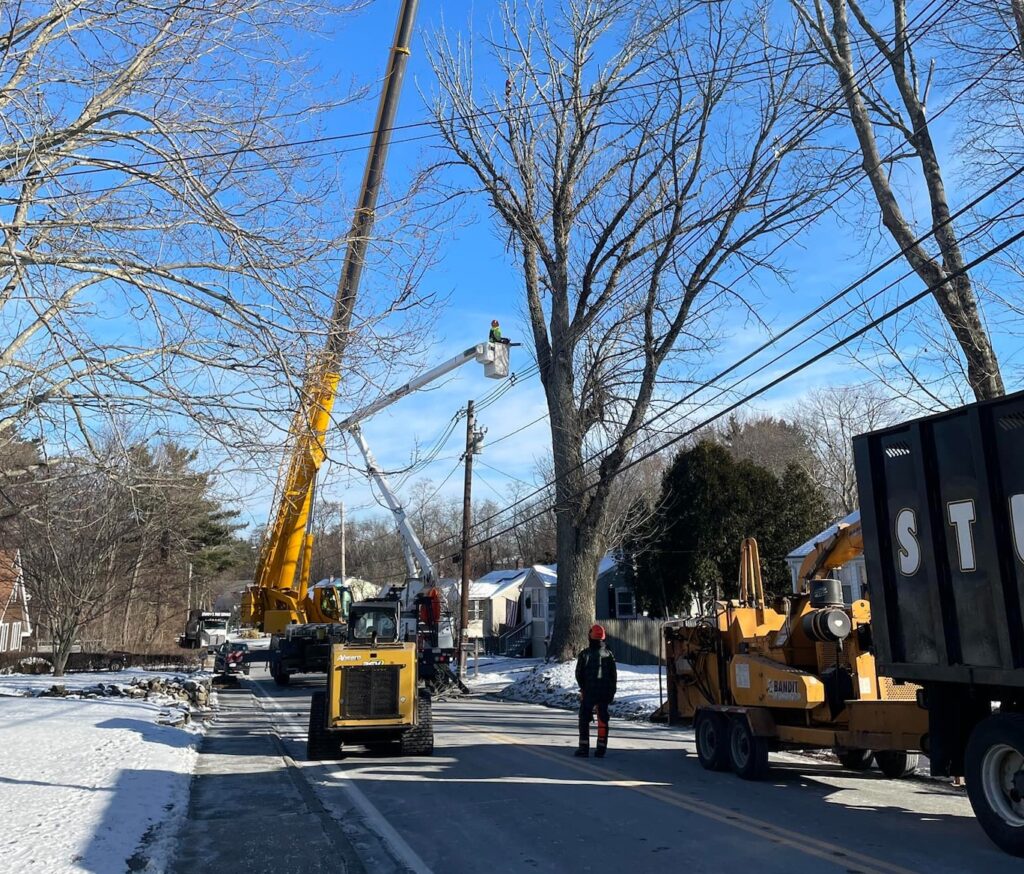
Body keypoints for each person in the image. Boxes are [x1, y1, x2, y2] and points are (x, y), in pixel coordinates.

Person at [574, 624, 617, 758]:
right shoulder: (609, 655)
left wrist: (583, 687)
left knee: (584, 718)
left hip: (589, 691)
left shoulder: (585, 654)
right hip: (604, 692)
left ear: (590, 637)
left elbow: (578, 673)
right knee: (603, 718)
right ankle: (601, 748)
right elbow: (613, 676)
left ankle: (583, 747)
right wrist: (611, 692)